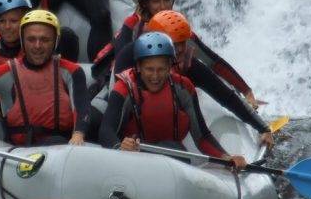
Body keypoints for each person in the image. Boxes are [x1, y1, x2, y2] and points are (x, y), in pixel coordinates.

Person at [119, 10, 274, 148]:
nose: (179, 49)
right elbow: (114, 104)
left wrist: (263, 128)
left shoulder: (190, 67)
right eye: (174, 44)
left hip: (167, 134)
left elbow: (227, 97)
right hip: (131, 132)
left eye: (182, 43)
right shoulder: (129, 58)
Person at [0, 10, 90, 150]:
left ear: (55, 42)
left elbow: (81, 107)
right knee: (55, 142)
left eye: (45, 40)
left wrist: (78, 135)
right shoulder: (6, 72)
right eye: (31, 39)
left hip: (64, 147)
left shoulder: (72, 71)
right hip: (22, 153)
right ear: (22, 41)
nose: (37, 46)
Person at [99, 32, 249, 170]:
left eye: (161, 69)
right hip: (133, 153)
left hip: (172, 155)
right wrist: (119, 146)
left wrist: (226, 157)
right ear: (138, 67)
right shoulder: (124, 88)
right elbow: (106, 129)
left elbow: (202, 136)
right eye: (149, 69)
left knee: (173, 149)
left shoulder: (183, 88)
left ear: (170, 67)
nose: (155, 76)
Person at [90, 0, 178, 82]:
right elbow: (121, 60)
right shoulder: (134, 24)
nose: (163, 6)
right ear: (145, 3)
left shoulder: (176, 22)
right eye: (156, 1)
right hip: (128, 76)